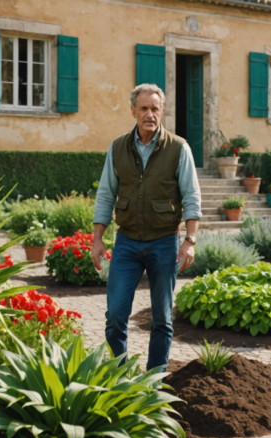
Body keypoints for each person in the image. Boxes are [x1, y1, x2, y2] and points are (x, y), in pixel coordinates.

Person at [90, 83, 202, 371]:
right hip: (126, 242)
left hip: (164, 242)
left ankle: (154, 380)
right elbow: (105, 194)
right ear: (133, 111)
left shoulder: (179, 148)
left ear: (162, 110)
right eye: (144, 108)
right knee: (115, 314)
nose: (149, 114)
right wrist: (97, 239)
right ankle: (119, 376)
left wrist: (189, 239)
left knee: (162, 318)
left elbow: (191, 196)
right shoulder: (118, 147)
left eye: (155, 108)